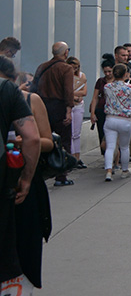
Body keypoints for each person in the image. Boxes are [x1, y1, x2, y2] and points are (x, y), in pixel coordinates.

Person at [0, 55, 52, 296]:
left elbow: (44, 140)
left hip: (19, 181)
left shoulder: (29, 100)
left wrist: (26, 175)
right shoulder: (9, 94)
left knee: (20, 247)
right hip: (11, 180)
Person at [31, 42, 75, 187]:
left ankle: (41, 170)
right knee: (64, 140)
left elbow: (34, 87)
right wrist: (69, 110)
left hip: (42, 105)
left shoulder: (42, 67)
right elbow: (68, 91)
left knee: (44, 139)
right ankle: (61, 175)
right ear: (65, 53)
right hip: (59, 106)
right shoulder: (66, 68)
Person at [102, 63, 131, 181]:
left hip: (110, 118)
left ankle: (108, 171)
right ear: (125, 74)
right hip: (125, 120)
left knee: (110, 146)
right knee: (124, 147)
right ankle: (124, 170)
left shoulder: (107, 87)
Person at [89, 56, 115, 157]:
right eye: (105, 72)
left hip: (113, 111)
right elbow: (95, 98)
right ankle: (105, 154)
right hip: (101, 110)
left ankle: (114, 155)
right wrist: (92, 113)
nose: (107, 74)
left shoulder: (117, 81)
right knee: (102, 133)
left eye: (109, 71)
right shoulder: (100, 81)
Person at [68, 56, 87, 169]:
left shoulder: (81, 76)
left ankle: (77, 157)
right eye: (72, 68)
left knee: (77, 133)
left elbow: (84, 91)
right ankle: (71, 157)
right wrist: (75, 95)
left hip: (78, 105)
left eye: (76, 68)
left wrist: (74, 94)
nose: (74, 70)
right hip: (70, 105)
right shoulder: (65, 76)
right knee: (70, 132)